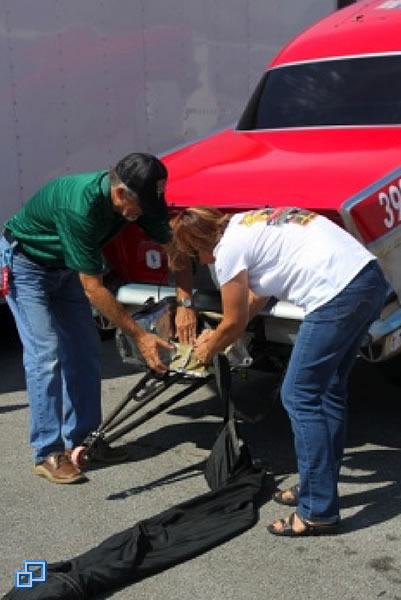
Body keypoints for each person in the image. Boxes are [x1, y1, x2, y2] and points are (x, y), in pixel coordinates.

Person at [167, 205, 387, 537]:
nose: (203, 261)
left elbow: (235, 320)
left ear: (201, 242)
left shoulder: (227, 251)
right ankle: (318, 488)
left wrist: (208, 348)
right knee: (326, 391)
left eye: (196, 253)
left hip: (336, 296)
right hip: (368, 279)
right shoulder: (245, 223)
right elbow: (254, 297)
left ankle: (317, 512)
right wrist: (224, 332)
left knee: (298, 396)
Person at [0, 153, 196, 485]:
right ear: (121, 193)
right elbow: (93, 287)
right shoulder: (80, 207)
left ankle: (86, 439)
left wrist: (186, 301)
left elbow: (175, 247)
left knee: (84, 348)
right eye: (141, 206)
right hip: (27, 265)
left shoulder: (135, 201)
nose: (143, 214)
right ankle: (47, 452)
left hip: (65, 267)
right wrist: (140, 335)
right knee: (46, 354)